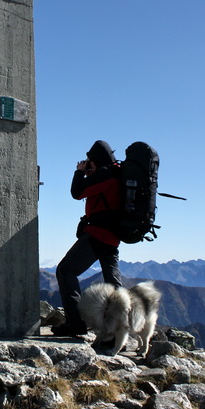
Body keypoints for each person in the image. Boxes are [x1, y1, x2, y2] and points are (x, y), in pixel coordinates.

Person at [51, 140, 123, 336]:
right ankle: (120, 328)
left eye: (89, 160)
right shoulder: (117, 173)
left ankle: (75, 323)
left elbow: (77, 192)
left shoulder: (105, 174)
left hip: (98, 234)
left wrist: (79, 172)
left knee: (65, 271)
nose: (86, 163)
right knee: (113, 282)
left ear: (95, 160)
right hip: (113, 236)